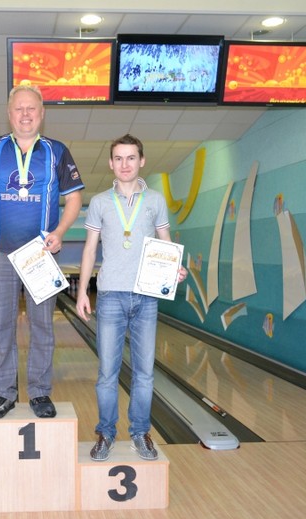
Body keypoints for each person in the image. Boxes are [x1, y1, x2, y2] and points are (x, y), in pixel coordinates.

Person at [0, 85, 84, 419]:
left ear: (42, 113)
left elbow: (74, 198)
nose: (25, 114)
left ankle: (39, 392)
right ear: (9, 113)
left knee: (42, 326)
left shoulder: (57, 151)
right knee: (2, 326)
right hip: (0, 253)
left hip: (41, 255)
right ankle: (3, 394)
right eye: (19, 108)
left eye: (31, 108)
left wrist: (60, 232)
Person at [75, 134, 188, 461]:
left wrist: (175, 268)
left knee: (144, 372)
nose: (125, 164)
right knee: (107, 373)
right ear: (111, 163)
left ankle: (140, 432)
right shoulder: (100, 202)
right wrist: (82, 291)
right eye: (119, 158)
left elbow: (166, 242)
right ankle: (105, 433)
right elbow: (89, 249)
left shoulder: (155, 200)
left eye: (131, 158)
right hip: (110, 294)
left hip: (147, 296)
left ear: (141, 161)